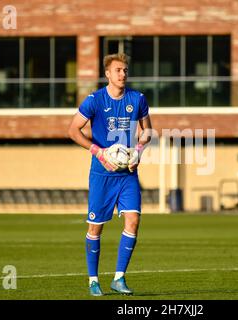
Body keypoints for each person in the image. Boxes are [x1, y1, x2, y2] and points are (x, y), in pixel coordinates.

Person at [68, 53, 152, 296]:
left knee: (134, 221)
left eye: (125, 70)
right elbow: (73, 130)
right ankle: (93, 280)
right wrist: (99, 152)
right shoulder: (94, 100)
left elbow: (147, 131)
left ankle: (119, 278)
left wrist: (138, 151)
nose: (123, 74)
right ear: (107, 74)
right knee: (96, 229)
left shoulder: (138, 99)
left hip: (127, 175)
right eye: (118, 70)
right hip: (101, 174)